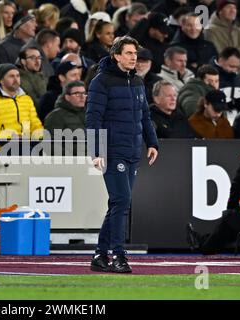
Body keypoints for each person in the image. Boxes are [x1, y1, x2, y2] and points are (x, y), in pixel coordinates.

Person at [86, 36, 159, 273]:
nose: (134, 57)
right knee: (122, 201)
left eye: (135, 53)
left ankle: (100, 254)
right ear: (116, 55)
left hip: (131, 151)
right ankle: (118, 255)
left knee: (118, 203)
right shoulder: (101, 82)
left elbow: (145, 116)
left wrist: (152, 142)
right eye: (128, 53)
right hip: (112, 151)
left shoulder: (137, 82)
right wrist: (96, 151)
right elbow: (93, 118)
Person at [187, 125, 240, 254]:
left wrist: (231, 208)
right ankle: (203, 240)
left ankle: (205, 247)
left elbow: (236, 189)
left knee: (229, 222)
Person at [0, 63, 43, 155]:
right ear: (1, 80)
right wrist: (10, 137)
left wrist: (40, 136)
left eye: (17, 76)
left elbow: (35, 124)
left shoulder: (27, 99)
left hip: (26, 144)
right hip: (1, 147)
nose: (16, 79)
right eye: (11, 76)